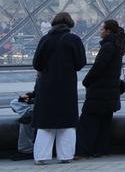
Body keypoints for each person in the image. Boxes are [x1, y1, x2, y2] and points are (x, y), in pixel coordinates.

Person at [32, 12, 87, 164]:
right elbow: (80, 63)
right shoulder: (74, 40)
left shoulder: (45, 39)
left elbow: (36, 63)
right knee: (67, 122)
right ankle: (66, 156)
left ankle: (41, 157)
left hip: (47, 85)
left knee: (45, 123)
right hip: (66, 86)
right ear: (70, 24)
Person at [77, 19, 125, 158]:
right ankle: (101, 150)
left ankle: (83, 151)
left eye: (102, 29)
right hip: (111, 92)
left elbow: (98, 67)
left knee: (87, 123)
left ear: (108, 31)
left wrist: (86, 81)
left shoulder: (108, 47)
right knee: (105, 123)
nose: (100, 31)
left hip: (99, 93)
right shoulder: (118, 45)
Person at [10, 89, 36, 161]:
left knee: (26, 122)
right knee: (14, 102)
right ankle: (30, 113)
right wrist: (28, 96)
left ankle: (27, 151)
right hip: (37, 107)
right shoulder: (41, 82)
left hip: (46, 109)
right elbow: (36, 92)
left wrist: (33, 101)